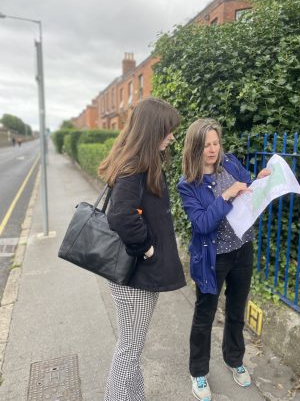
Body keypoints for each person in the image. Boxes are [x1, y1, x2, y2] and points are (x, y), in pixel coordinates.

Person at [98, 97, 186, 401]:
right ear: (153, 131)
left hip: (134, 278)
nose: (172, 136)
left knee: (131, 347)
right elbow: (121, 216)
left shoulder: (138, 161)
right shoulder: (135, 166)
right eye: (168, 130)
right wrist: (147, 248)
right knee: (129, 351)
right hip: (135, 279)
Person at [177, 119, 270, 401]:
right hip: (212, 258)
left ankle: (233, 359)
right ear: (195, 147)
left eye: (216, 143)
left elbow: (247, 189)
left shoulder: (230, 163)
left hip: (243, 249)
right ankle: (199, 372)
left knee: (236, 309)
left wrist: (260, 181)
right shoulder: (188, 185)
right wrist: (227, 195)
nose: (213, 149)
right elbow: (203, 223)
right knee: (205, 315)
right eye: (206, 145)